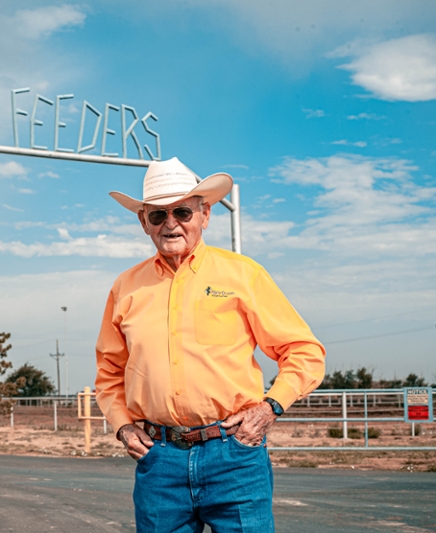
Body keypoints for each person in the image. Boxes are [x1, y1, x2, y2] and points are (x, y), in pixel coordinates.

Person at [95, 157, 325, 533]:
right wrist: (122, 426)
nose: (170, 223)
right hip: (159, 460)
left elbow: (304, 351)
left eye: (182, 211)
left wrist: (269, 408)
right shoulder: (125, 287)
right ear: (143, 223)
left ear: (205, 214)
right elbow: (108, 372)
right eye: (158, 216)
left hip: (234, 454)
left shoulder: (243, 274)